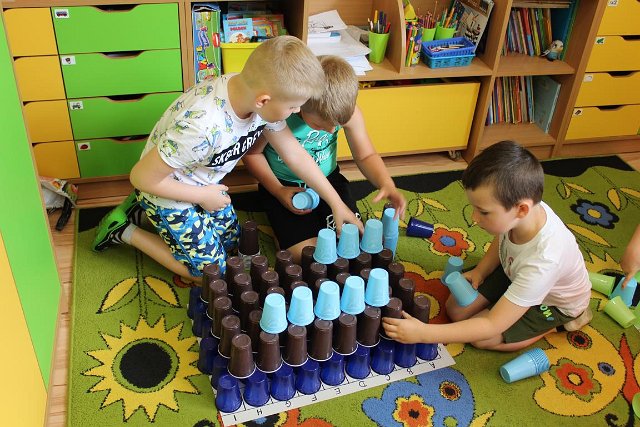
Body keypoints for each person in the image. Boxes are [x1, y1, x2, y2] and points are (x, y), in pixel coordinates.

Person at [91, 36, 362, 282]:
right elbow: (140, 177)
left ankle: (146, 210)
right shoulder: (201, 127)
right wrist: (202, 196)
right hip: (164, 188)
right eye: (293, 107)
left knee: (234, 243)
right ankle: (123, 230)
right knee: (212, 274)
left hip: (202, 183)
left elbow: (295, 154)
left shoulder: (253, 93)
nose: (297, 111)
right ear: (264, 100)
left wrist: (336, 203)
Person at [383, 141, 592, 351]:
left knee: (482, 339)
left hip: (553, 304)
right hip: (515, 270)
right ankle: (511, 301)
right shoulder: (521, 213)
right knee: (456, 310)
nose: (474, 218)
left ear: (521, 210)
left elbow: (492, 325)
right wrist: (481, 271)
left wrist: (424, 333)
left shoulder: (543, 262)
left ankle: (560, 325)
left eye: (483, 212)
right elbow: (503, 238)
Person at [242, 55, 407, 263]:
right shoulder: (280, 115)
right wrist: (278, 190)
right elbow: (252, 154)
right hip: (285, 185)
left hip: (330, 180)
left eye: (336, 126)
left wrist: (386, 183)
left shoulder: (347, 112)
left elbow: (366, 155)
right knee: (306, 256)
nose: (330, 131)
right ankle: (282, 233)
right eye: (320, 126)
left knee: (352, 242)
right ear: (301, 104)